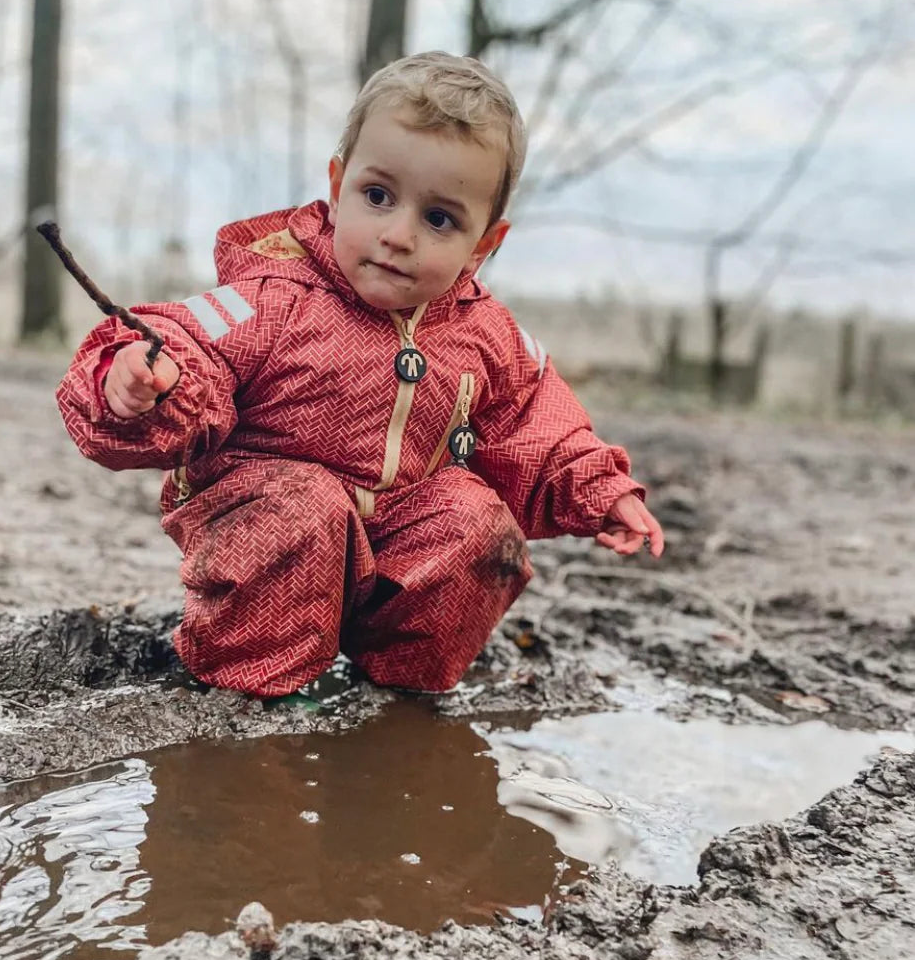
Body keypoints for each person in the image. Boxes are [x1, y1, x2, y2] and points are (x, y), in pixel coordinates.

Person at [56, 51, 664, 698]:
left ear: (485, 242)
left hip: (396, 532)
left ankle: (396, 691)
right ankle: (249, 691)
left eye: (438, 218)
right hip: (266, 515)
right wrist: (146, 383)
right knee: (306, 511)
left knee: (476, 522)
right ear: (337, 183)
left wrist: (600, 490)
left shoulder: (484, 332)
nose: (397, 235)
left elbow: (536, 422)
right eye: (377, 196)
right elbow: (189, 338)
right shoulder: (276, 294)